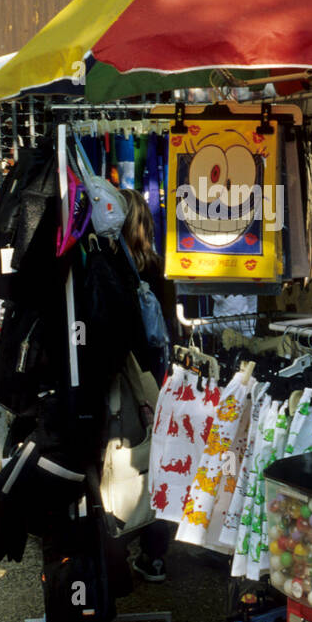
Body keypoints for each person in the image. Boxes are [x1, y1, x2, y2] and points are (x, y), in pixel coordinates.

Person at [119, 188, 176, 583]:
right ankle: (155, 554)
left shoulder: (113, 269)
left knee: (126, 461)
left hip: (128, 376)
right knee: (162, 461)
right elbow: (170, 328)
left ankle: (119, 541)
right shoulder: (159, 267)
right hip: (159, 374)